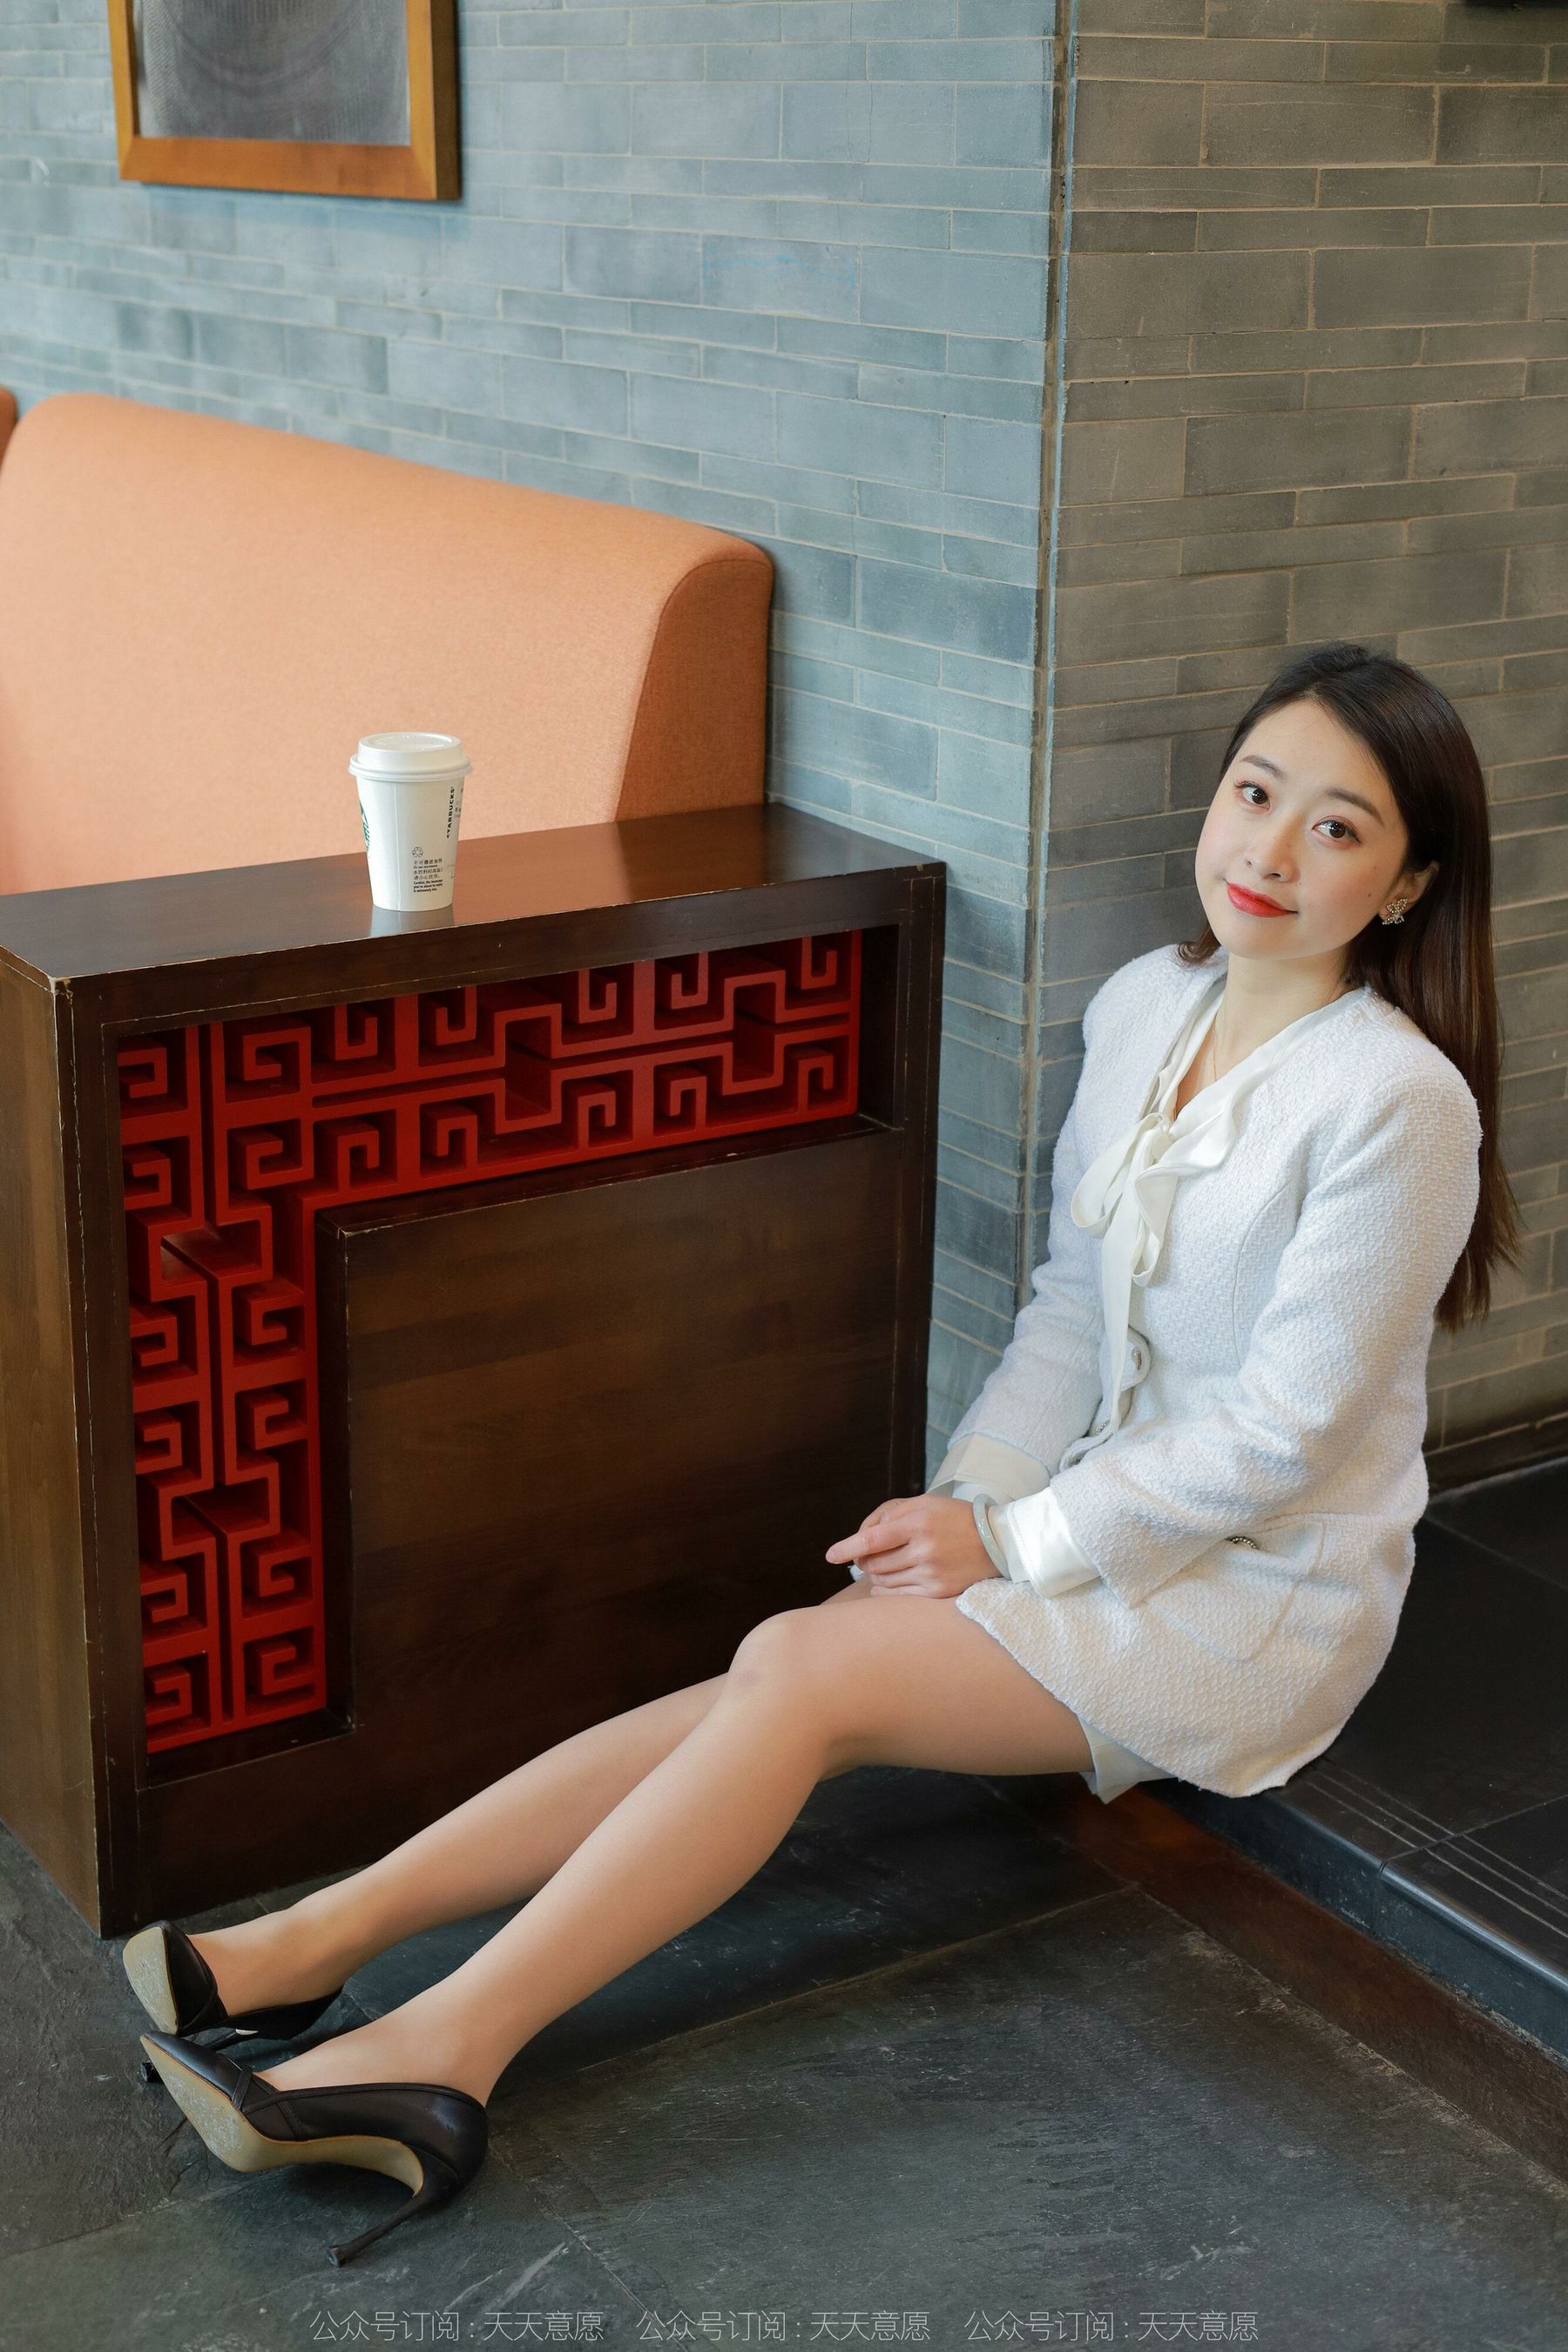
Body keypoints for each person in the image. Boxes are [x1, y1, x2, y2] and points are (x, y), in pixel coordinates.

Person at [128, 640, 1520, 2265]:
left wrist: (1020, 1544)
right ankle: (317, 1940)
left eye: (1338, 828)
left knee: (799, 1668)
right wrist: (968, 1504)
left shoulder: (1396, 1103)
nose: (1270, 850)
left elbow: (1289, 1434)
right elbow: (1071, 1305)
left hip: (1255, 1598)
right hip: (1092, 1523)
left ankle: (439, 2046)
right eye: (1255, 793)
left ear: (1408, 883)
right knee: (785, 1668)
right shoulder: (1149, 1004)